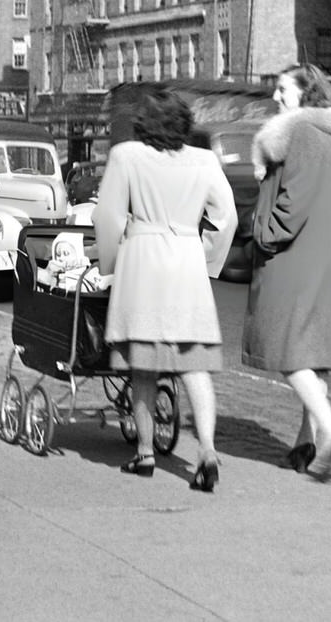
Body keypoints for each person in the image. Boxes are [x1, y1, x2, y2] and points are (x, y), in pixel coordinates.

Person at [92, 84, 236, 492]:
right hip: (186, 263)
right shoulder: (205, 160)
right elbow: (226, 218)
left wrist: (109, 264)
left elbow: (109, 216)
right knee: (195, 365)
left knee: (143, 368)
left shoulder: (126, 156)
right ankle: (207, 450)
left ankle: (145, 451)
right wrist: (206, 257)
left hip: (143, 261)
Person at [242, 63, 331, 483]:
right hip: (323, 256)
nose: (275, 96)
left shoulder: (304, 135)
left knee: (288, 349)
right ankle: (305, 443)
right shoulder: (330, 136)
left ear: (305, 94)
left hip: (297, 258)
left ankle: (330, 428)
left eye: (282, 89)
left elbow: (293, 203)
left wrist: (262, 233)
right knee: (311, 354)